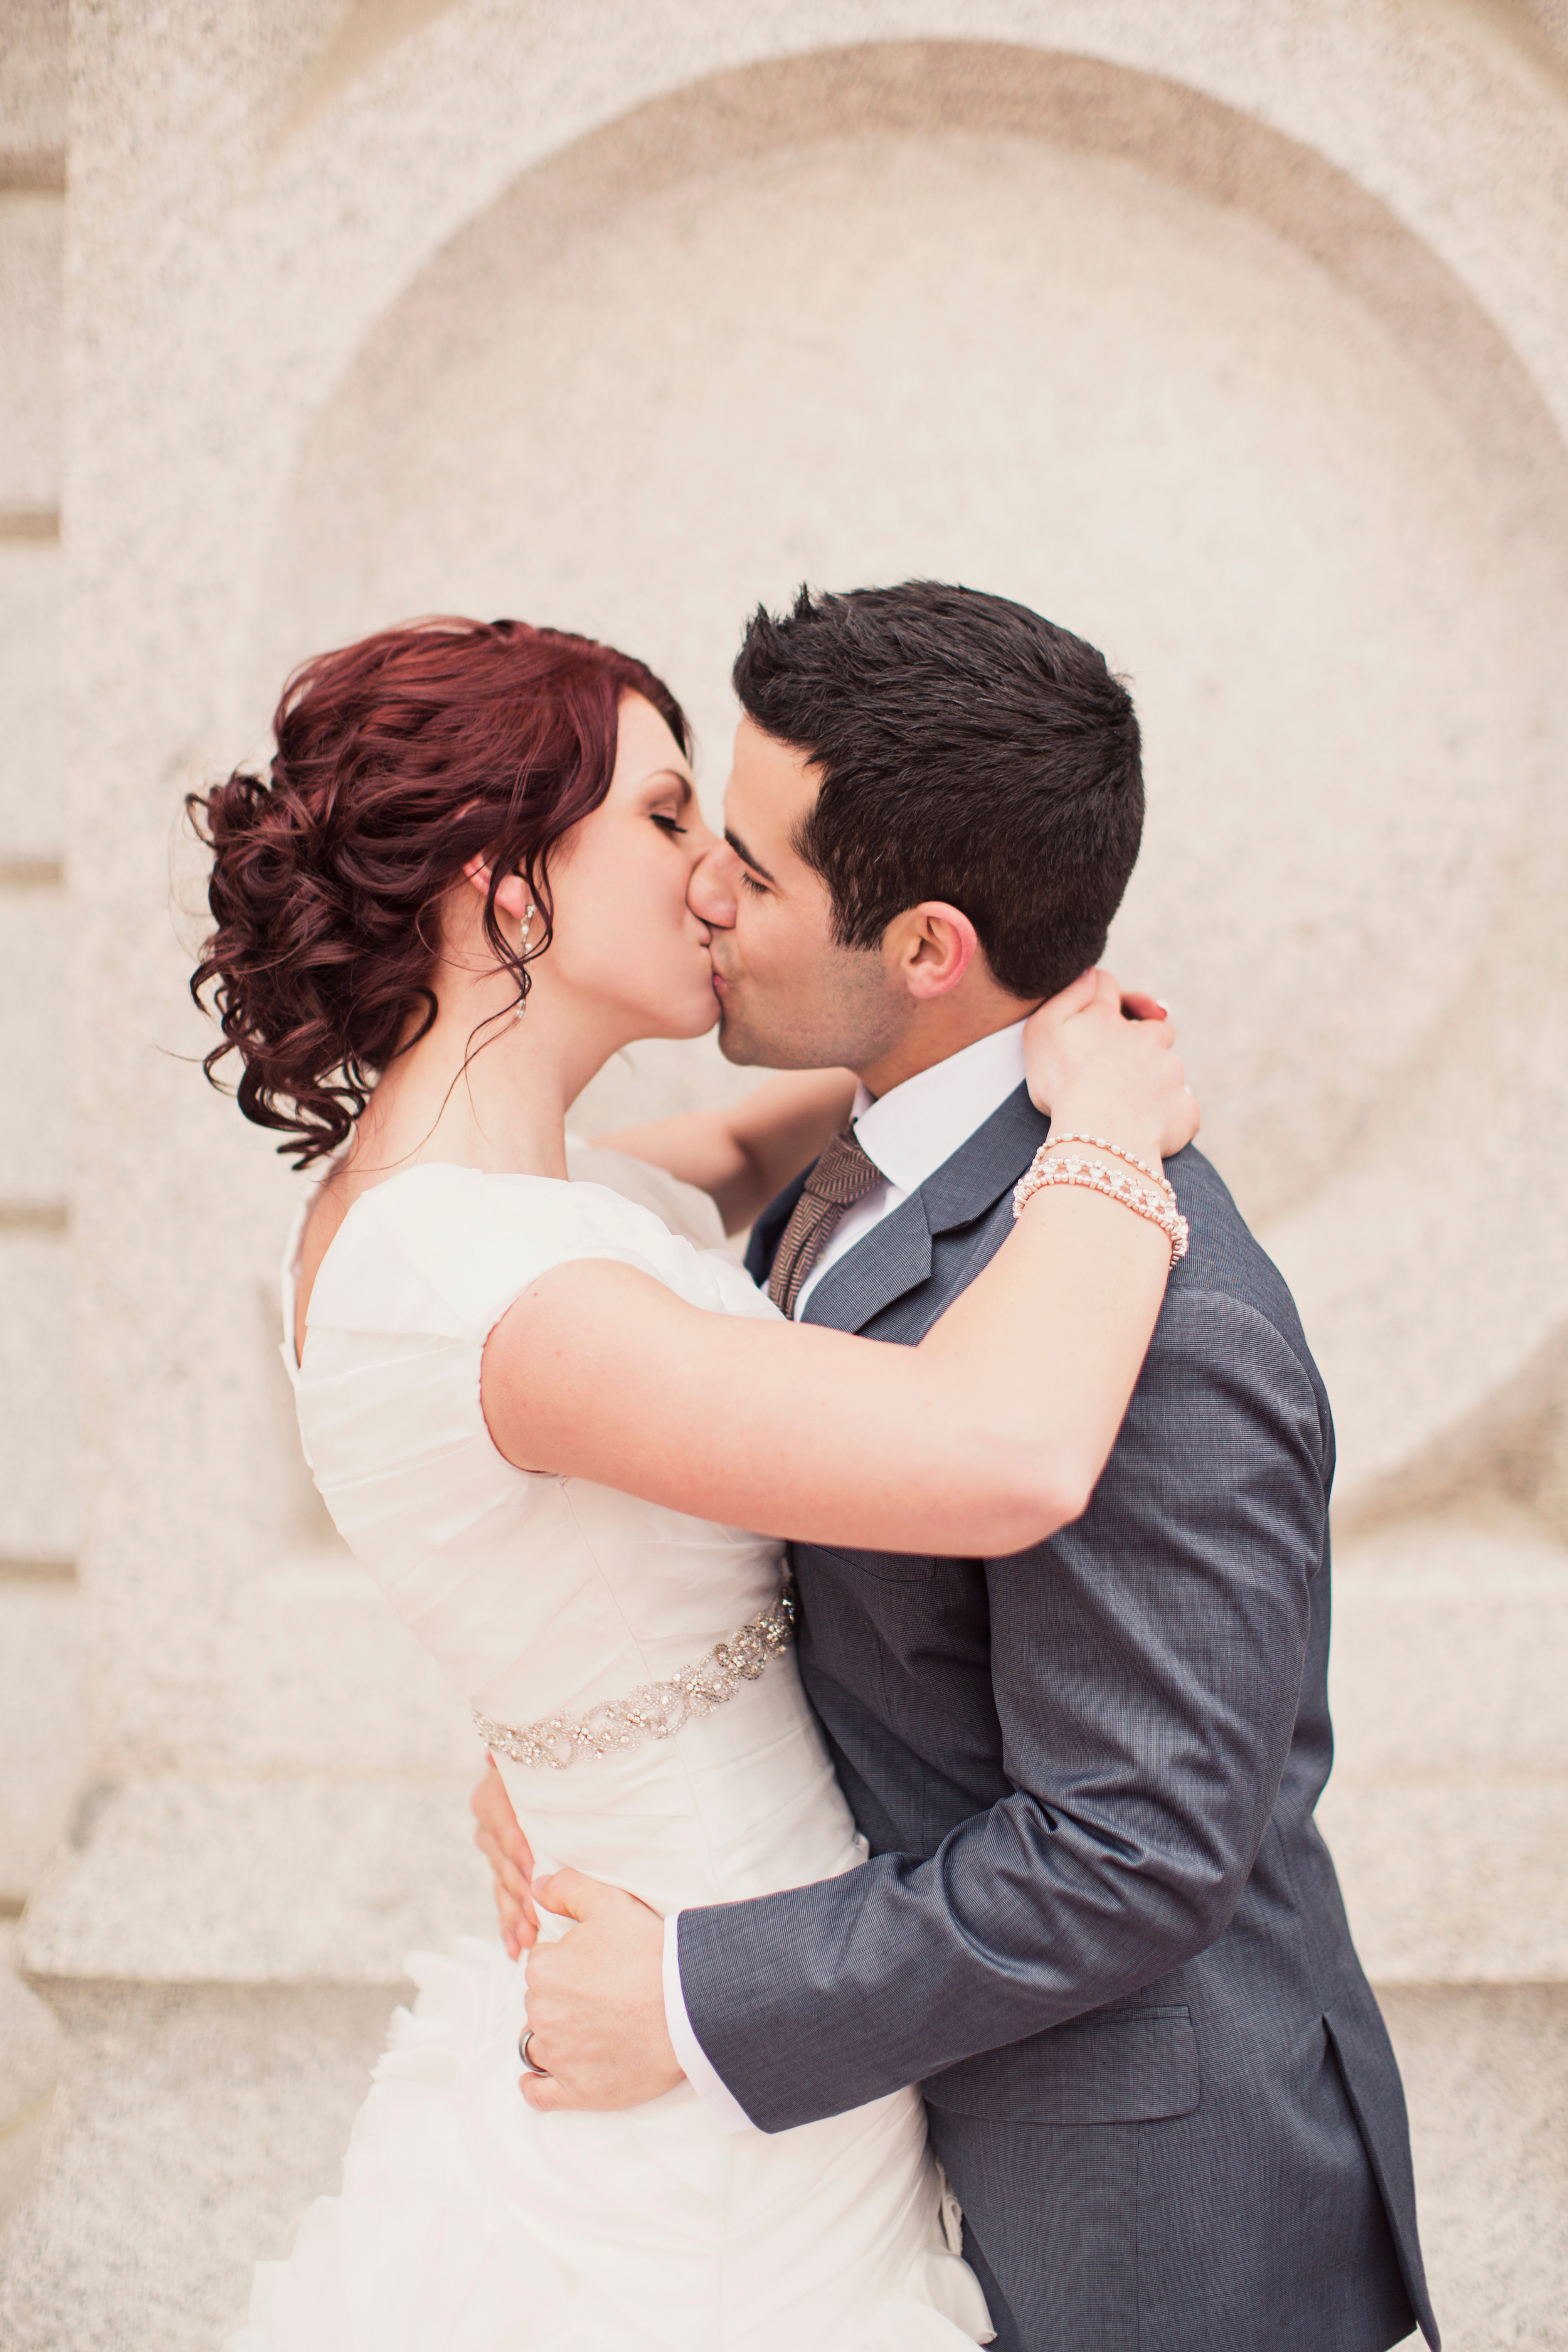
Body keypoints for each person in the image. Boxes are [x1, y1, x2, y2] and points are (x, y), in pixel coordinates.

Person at [191, 607, 1199, 2351]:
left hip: (721, 1960)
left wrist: (976, 1009)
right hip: (699, 2039)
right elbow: (1007, 1451)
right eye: (666, 824)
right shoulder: (487, 1289)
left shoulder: (524, 1202)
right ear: (510, 886)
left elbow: (757, 1143)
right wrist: (1106, 1132)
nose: (716, 876)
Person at [471, 584, 1440, 2352]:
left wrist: (689, 1997)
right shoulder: (863, 1161)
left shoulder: (1165, 1323)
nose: (703, 890)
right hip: (899, 2147)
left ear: (927, 947)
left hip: (1137, 2224)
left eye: (751, 870)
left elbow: (1134, 1848)